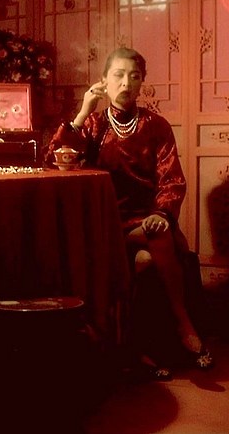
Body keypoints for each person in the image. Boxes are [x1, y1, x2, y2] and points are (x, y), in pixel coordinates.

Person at [44, 47, 213, 380]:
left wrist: (162, 212)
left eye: (134, 77)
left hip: (145, 220)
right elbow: (54, 160)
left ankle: (171, 331)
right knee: (149, 253)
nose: (126, 83)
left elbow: (172, 179)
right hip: (103, 221)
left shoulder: (156, 125)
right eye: (118, 75)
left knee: (156, 238)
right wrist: (82, 112)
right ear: (104, 81)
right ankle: (170, 332)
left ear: (141, 83)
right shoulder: (92, 124)